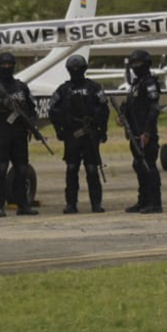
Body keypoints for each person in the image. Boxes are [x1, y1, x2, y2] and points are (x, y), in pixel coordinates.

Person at [0, 52, 39, 217]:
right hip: (1, 135)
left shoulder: (21, 87)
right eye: (3, 65)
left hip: (19, 135)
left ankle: (23, 205)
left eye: (9, 65)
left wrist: (32, 124)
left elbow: (32, 109)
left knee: (22, 169)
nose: (6, 68)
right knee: (1, 170)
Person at [48, 54, 110, 214]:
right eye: (73, 69)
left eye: (78, 68)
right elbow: (52, 111)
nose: (76, 71)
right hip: (72, 135)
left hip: (90, 135)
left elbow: (104, 109)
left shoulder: (94, 88)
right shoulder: (63, 90)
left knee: (92, 169)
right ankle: (71, 204)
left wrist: (102, 130)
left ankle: (96, 204)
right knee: (71, 169)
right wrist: (60, 129)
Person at [121, 49, 163, 213]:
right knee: (139, 165)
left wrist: (147, 132)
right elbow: (130, 106)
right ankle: (143, 200)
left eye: (138, 63)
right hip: (134, 132)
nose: (135, 67)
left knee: (149, 167)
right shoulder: (135, 84)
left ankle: (155, 203)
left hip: (146, 133)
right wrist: (123, 116)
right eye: (133, 64)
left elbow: (153, 110)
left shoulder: (150, 83)